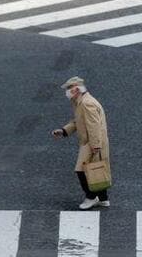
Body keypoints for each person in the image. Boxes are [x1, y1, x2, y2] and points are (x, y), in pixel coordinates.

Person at [51, 76, 111, 210]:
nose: (67, 92)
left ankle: (91, 197)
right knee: (97, 168)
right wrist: (64, 130)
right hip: (91, 142)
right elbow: (78, 121)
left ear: (76, 89)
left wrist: (95, 145)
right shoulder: (81, 102)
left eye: (69, 89)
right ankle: (103, 198)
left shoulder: (86, 103)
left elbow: (94, 126)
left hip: (91, 142)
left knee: (81, 170)